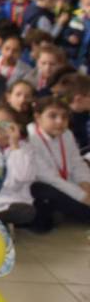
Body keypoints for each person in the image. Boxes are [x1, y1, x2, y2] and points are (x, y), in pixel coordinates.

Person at [27, 97, 90, 232]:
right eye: (53, 116)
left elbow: (76, 162)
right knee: (44, 189)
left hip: (65, 183)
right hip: (42, 187)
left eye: (64, 117)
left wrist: (85, 183)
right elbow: (50, 178)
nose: (60, 121)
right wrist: (82, 196)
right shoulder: (30, 139)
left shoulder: (67, 134)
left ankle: (63, 212)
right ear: (38, 117)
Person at [0, 105, 36, 227]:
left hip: (12, 202)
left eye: (4, 124)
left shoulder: (25, 148)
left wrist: (14, 145)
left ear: (16, 127)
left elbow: (22, 177)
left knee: (27, 212)